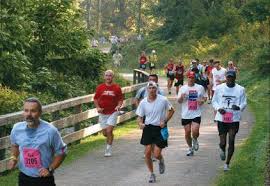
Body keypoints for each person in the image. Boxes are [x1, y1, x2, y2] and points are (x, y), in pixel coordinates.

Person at [9, 97, 67, 186]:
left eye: (33, 111)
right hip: (24, 177)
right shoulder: (17, 128)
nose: (29, 114)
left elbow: (62, 152)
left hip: (43, 179)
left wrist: (50, 169)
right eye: (26, 110)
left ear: (40, 112)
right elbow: (15, 145)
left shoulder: (50, 131)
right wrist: (13, 158)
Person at [136, 81, 175, 183]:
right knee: (148, 153)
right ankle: (152, 174)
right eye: (150, 88)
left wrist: (165, 121)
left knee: (157, 154)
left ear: (156, 89)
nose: (152, 90)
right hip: (148, 128)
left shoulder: (163, 100)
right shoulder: (143, 102)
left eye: (154, 88)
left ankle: (161, 160)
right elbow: (139, 116)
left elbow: (172, 110)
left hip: (160, 128)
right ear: (147, 90)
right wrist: (140, 123)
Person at [212, 71, 247, 171]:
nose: (230, 79)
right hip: (221, 118)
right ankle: (222, 149)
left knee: (231, 140)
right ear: (226, 78)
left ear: (235, 78)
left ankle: (227, 164)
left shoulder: (240, 89)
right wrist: (218, 108)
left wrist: (239, 107)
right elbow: (214, 101)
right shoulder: (219, 88)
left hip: (234, 118)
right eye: (228, 77)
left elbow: (244, 102)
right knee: (223, 142)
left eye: (232, 78)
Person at [94, 70, 124, 157]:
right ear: (104, 77)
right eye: (106, 75)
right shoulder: (100, 87)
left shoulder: (117, 88)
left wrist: (118, 106)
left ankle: (108, 149)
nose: (108, 77)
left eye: (110, 75)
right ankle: (110, 137)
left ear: (113, 77)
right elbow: (95, 99)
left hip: (113, 112)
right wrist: (98, 107)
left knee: (109, 130)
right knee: (105, 133)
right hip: (103, 112)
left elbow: (120, 99)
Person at [177, 71, 207, 156]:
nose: (191, 79)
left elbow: (204, 98)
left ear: (195, 78)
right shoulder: (183, 88)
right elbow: (179, 101)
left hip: (196, 113)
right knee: (187, 133)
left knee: (195, 131)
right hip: (186, 114)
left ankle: (195, 139)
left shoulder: (200, 87)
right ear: (187, 78)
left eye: (192, 77)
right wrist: (181, 97)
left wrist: (202, 101)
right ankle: (190, 148)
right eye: (189, 77)